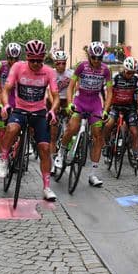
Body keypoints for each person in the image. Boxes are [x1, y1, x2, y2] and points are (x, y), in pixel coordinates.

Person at [1, 40, 59, 201]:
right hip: (20, 109)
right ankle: (4, 159)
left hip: (39, 111)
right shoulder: (18, 67)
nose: (35, 63)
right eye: (32, 60)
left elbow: (55, 96)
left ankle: (47, 187)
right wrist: (5, 105)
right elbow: (6, 89)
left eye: (39, 60)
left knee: (45, 148)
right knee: (11, 129)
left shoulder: (49, 72)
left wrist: (53, 110)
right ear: (27, 58)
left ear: (43, 59)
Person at [55, 41, 113, 188]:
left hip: (95, 103)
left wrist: (106, 110)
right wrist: (69, 103)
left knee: (98, 135)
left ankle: (92, 174)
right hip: (80, 100)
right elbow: (70, 87)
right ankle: (61, 153)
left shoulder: (106, 70)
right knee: (72, 127)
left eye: (100, 58)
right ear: (89, 56)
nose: (97, 61)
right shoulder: (81, 66)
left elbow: (110, 93)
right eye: (94, 58)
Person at [106, 56, 138, 164]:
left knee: (134, 131)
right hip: (116, 106)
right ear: (124, 69)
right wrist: (106, 106)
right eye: (128, 73)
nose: (130, 75)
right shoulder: (116, 77)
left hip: (129, 107)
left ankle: (136, 154)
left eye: (132, 73)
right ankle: (107, 144)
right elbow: (108, 92)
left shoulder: (136, 79)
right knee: (109, 124)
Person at [0, 43, 22, 173]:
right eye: (10, 58)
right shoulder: (0, 66)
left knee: (17, 130)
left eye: (16, 59)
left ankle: (17, 153)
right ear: (7, 56)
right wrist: (0, 103)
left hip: (17, 100)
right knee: (2, 132)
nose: (13, 61)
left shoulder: (23, 67)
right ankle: (2, 160)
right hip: (3, 98)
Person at [48, 49, 72, 172]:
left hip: (66, 101)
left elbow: (73, 91)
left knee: (71, 127)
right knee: (53, 135)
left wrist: (70, 105)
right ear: (54, 63)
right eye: (58, 63)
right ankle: (52, 164)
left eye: (63, 63)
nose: (61, 66)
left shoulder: (71, 74)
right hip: (54, 101)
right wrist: (54, 106)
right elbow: (49, 92)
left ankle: (65, 150)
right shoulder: (51, 74)